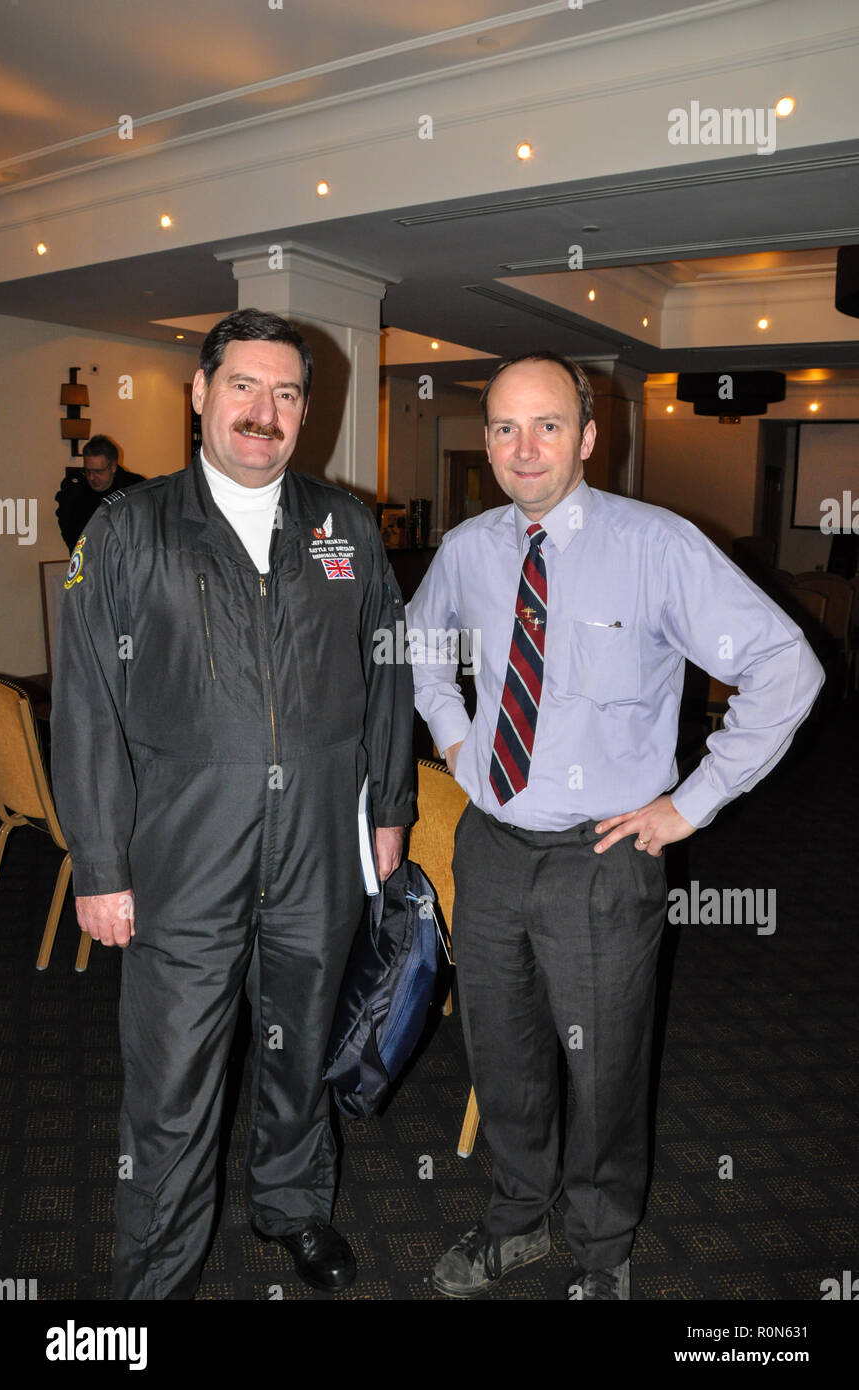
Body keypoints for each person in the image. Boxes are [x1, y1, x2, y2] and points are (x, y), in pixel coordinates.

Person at [406, 351, 824, 1301]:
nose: (524, 447)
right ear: (486, 439)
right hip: (492, 845)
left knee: (602, 1072)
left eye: (547, 424)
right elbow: (421, 643)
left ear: (590, 437)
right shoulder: (470, 548)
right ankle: (516, 1220)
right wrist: (457, 736)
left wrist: (693, 802)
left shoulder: (656, 545)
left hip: (602, 859)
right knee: (501, 1054)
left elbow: (783, 667)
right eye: (505, 426)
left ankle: (602, 1252)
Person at [50, 308, 414, 1300]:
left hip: (315, 863)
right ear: (200, 395)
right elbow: (83, 702)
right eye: (245, 387)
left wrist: (390, 806)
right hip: (182, 862)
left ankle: (292, 1207)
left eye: (287, 393)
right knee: (171, 1085)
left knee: (299, 1056)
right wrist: (99, 864)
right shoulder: (128, 530)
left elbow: (388, 671)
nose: (265, 411)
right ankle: (156, 1278)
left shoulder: (343, 529)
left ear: (304, 411)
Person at [54, 435, 144, 551]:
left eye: (98, 471)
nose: (91, 477)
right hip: (85, 558)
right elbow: (68, 528)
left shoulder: (136, 488)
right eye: (87, 470)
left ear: (113, 466)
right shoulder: (73, 488)